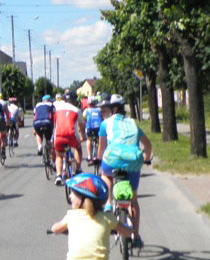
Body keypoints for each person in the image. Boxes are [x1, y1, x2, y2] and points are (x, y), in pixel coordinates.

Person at [96, 94, 152, 245]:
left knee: (106, 175)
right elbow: (147, 145)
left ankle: (108, 203)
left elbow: (102, 148)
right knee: (133, 201)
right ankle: (137, 236)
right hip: (133, 162)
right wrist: (146, 159)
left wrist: (99, 159)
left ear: (113, 109)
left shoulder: (106, 123)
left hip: (112, 161)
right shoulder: (133, 123)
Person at [53, 91, 83, 185]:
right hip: (71, 135)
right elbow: (82, 125)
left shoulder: (57, 109)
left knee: (58, 155)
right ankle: (78, 169)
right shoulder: (76, 110)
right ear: (74, 100)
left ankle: (58, 175)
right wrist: (83, 136)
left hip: (59, 135)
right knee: (78, 148)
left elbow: (54, 123)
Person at [83, 97, 104, 164]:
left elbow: (84, 119)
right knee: (100, 141)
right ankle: (100, 156)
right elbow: (103, 118)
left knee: (89, 140)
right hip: (99, 128)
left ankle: (89, 157)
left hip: (90, 128)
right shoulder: (100, 110)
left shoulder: (86, 110)